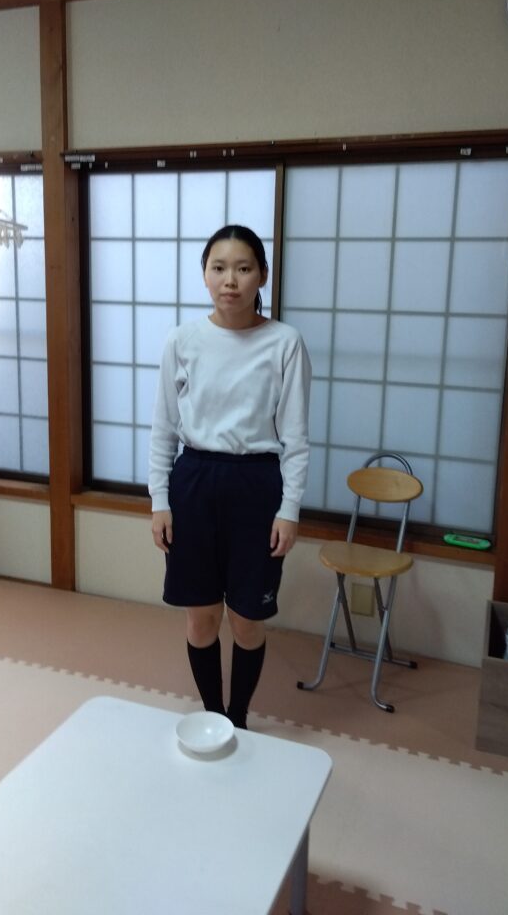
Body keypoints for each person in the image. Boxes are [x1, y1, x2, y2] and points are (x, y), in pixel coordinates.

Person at [149, 224, 311, 729]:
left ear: (262, 275)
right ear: (204, 274)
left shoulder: (284, 342)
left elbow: (296, 439)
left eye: (243, 268)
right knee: (201, 617)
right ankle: (213, 716)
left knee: (246, 618)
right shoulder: (182, 341)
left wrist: (289, 509)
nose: (230, 280)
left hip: (257, 486)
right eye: (218, 268)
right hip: (194, 482)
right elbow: (163, 429)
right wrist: (160, 500)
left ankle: (238, 719)